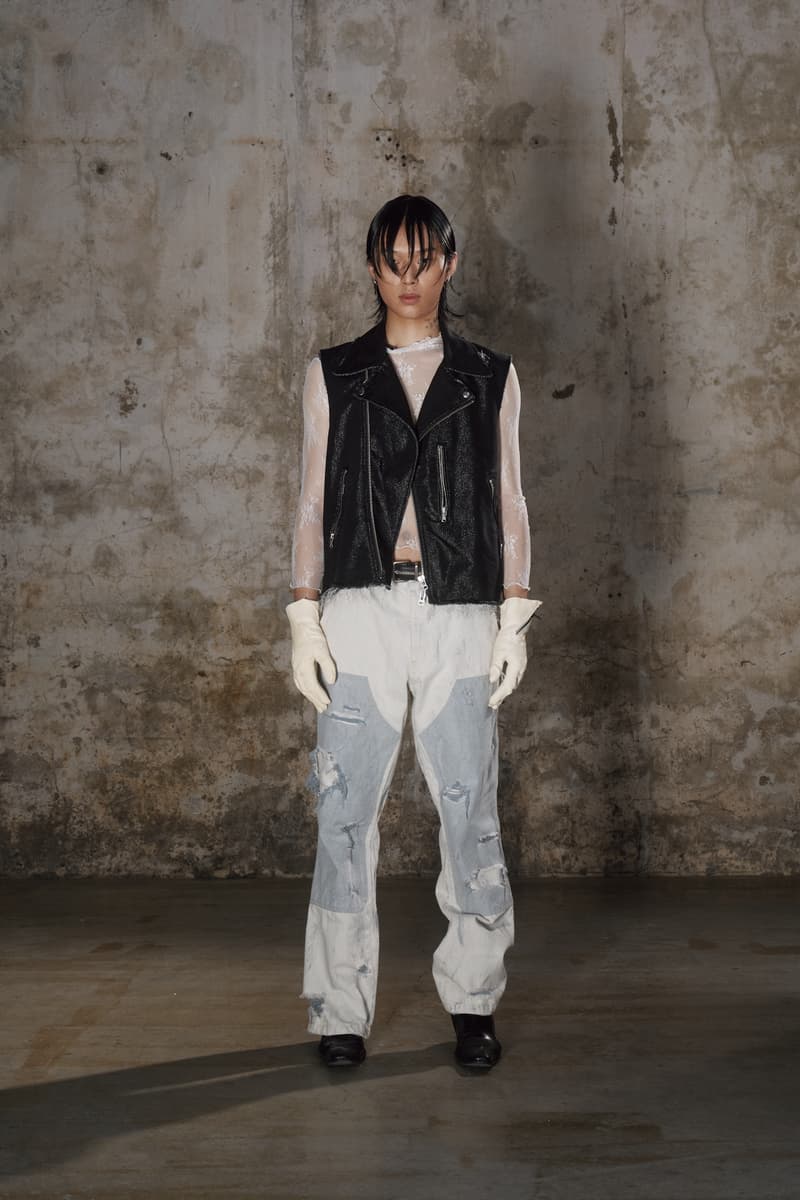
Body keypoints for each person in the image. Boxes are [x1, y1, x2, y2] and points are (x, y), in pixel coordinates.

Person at [286, 194, 541, 1071]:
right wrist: (303, 614)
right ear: (372, 267)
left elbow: (510, 498)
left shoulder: (488, 375)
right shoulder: (335, 373)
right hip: (359, 608)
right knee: (343, 811)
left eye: (423, 260)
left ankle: (474, 1002)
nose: (408, 277)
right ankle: (339, 1012)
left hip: (460, 610)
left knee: (469, 810)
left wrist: (513, 612)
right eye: (392, 261)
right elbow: (311, 499)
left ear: (449, 265)